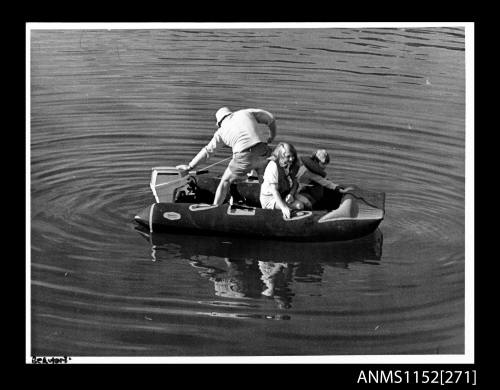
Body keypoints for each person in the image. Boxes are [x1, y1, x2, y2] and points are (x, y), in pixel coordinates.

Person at [176, 107, 277, 205]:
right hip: (263, 151)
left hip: (243, 157)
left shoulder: (221, 131)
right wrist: (271, 136)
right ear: (230, 113)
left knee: (225, 181)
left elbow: (207, 151)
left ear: (219, 123)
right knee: (264, 181)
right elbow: (270, 118)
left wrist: (190, 166)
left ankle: (215, 208)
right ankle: (271, 206)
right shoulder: (245, 113)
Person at [259, 142, 304, 219]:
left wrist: (291, 194)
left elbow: (295, 183)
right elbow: (274, 191)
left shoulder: (292, 165)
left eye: (293, 156)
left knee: (305, 203)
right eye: (288, 156)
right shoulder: (273, 166)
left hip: (284, 194)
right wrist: (283, 207)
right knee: (299, 206)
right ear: (280, 156)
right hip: (270, 199)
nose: (291, 159)